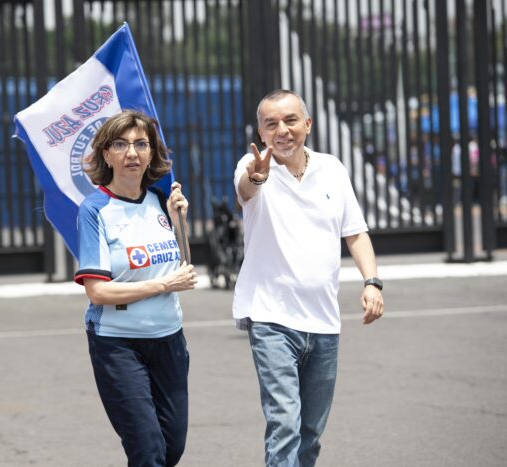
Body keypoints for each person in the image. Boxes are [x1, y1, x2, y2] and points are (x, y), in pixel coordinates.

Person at [232, 90, 384, 467]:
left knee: (310, 434)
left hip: (323, 323)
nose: (282, 131)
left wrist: (372, 282)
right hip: (271, 319)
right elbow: (245, 189)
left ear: (308, 125)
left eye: (290, 121)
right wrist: (257, 176)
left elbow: (355, 232)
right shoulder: (250, 166)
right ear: (261, 133)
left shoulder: (332, 168)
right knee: (284, 425)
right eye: (271, 124)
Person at [74, 110, 198, 466]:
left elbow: (183, 268)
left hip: (169, 339)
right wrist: (162, 284)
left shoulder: (160, 200)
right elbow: (98, 292)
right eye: (121, 144)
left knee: (171, 448)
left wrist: (177, 222)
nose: (132, 153)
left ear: (151, 152)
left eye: (141, 144)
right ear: (106, 154)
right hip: (117, 344)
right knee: (147, 452)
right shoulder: (95, 209)